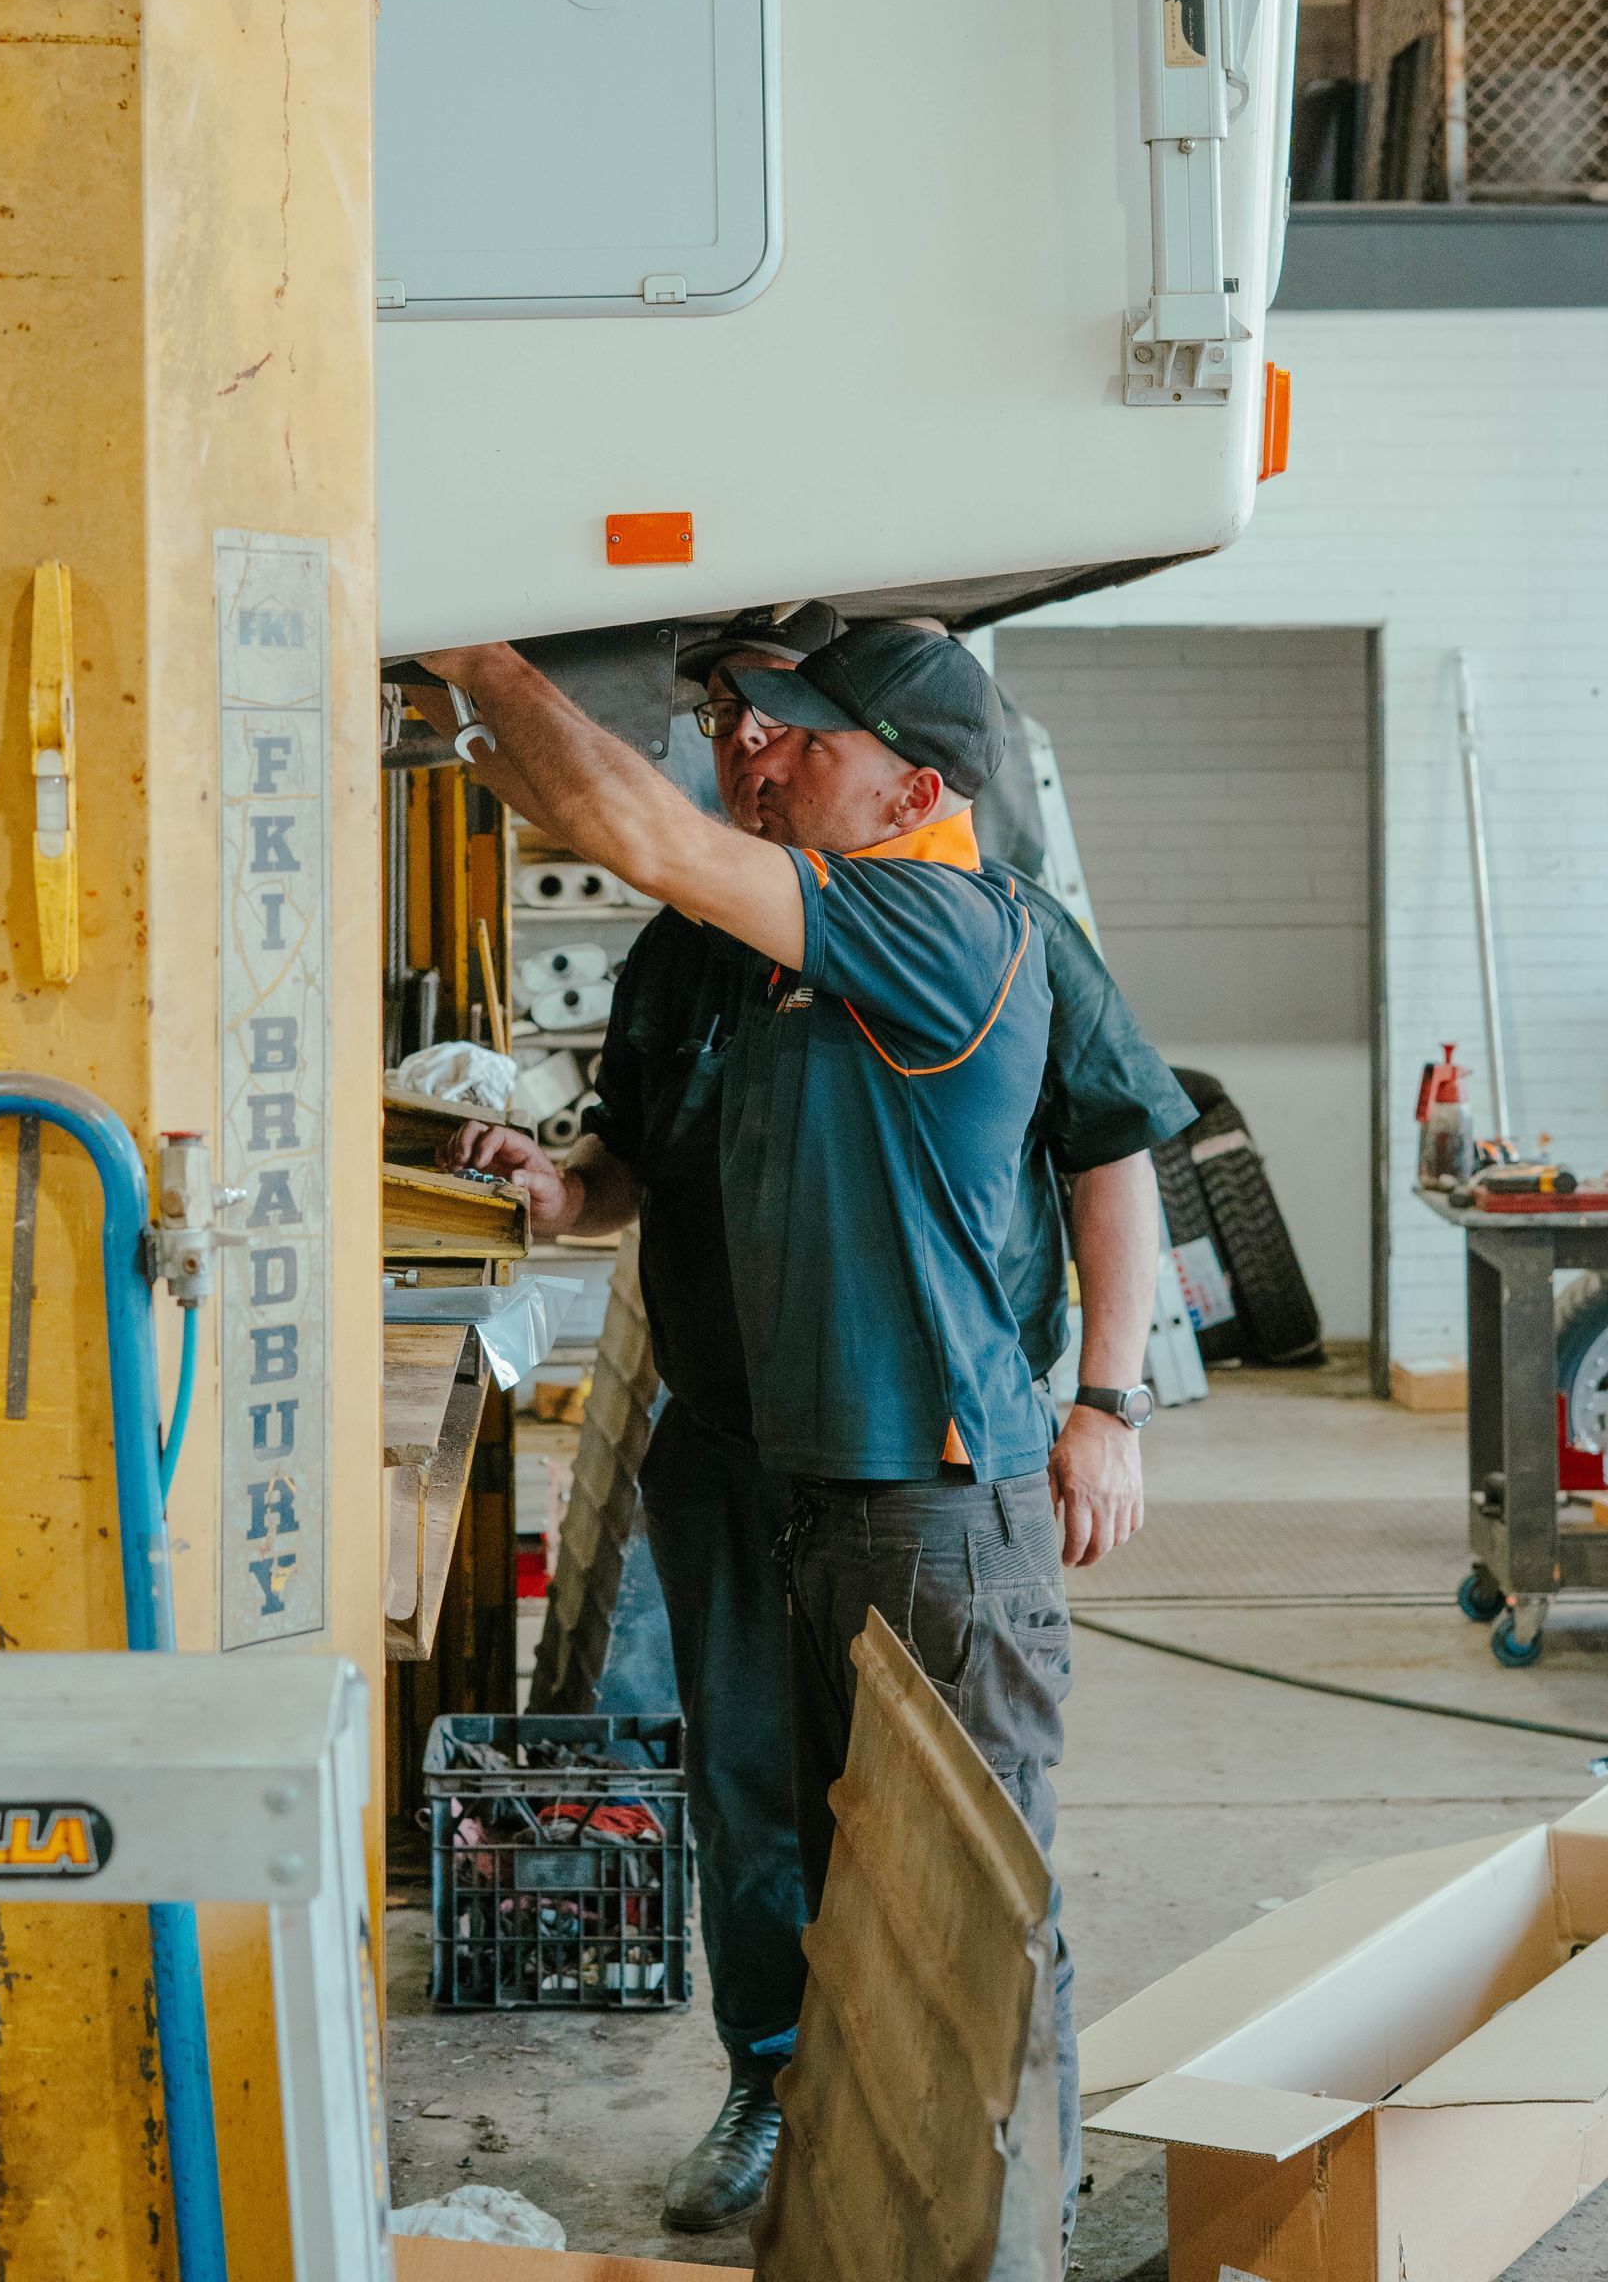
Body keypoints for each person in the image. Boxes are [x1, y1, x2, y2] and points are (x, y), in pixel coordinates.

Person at [449, 616, 1193, 2238]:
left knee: (967, 1883)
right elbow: (662, 1116)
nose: (750, 753)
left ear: (913, 784)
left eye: (794, 735)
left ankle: (1015, 2221)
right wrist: (574, 1184)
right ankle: (823, 2133)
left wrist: (477, 652)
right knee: (769, 1804)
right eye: (732, 724)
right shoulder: (754, 946)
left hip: (922, 1490)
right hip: (769, 1459)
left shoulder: (935, 921)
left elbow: (627, 827)